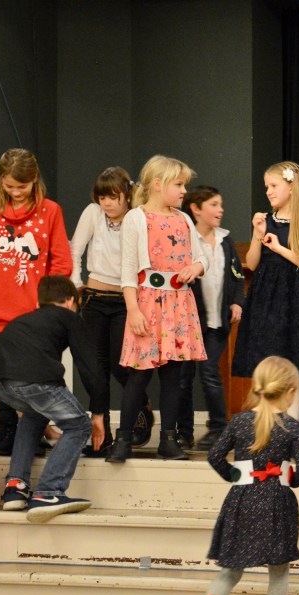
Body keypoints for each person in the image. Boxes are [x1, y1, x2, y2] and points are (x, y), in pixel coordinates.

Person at [181, 356, 299, 595]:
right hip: (277, 502)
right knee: (278, 569)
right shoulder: (291, 427)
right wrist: (290, 480)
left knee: (230, 569)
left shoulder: (239, 422)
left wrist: (235, 477)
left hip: (241, 500)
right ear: (290, 392)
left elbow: (214, 456)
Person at [105, 155, 208, 464]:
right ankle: (123, 439)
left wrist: (196, 267)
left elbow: (202, 256)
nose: (183, 191)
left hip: (179, 303)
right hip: (148, 303)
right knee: (139, 375)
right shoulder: (137, 218)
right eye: (179, 184)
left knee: (173, 375)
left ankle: (168, 439)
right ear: (159, 184)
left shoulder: (184, 219)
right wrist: (133, 310)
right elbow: (128, 271)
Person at [0, 275, 105, 523]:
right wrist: (98, 413)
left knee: (34, 413)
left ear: (39, 302)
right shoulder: (69, 316)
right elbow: (90, 367)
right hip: (33, 377)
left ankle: (15, 487)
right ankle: (49, 492)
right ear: (70, 301)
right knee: (79, 425)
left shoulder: (24, 320)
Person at [0, 148, 72, 454]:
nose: (16, 192)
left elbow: (61, 263)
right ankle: (6, 433)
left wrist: (48, 306)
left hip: (34, 311)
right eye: (9, 186)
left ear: (35, 180)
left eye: (22, 186)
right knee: (2, 373)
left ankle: (33, 433)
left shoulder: (50, 211)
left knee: (33, 375)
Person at [232, 162, 299, 425]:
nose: (268, 191)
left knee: (295, 363)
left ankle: (290, 426)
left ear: (291, 187)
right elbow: (252, 263)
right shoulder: (265, 220)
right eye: (267, 186)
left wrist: (279, 248)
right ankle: (267, 424)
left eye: (274, 185)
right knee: (266, 360)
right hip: (266, 298)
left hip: (297, 298)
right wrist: (258, 235)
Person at [71, 167, 154, 455]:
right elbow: (75, 249)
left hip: (124, 300)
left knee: (122, 364)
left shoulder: (137, 217)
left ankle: (140, 407)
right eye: (102, 197)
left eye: (113, 197)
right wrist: (77, 283)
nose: (106, 203)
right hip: (94, 298)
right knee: (96, 370)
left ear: (126, 195)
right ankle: (101, 435)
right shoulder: (93, 213)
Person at [177, 185, 245, 451]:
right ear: (196, 209)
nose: (220, 210)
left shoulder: (225, 239)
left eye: (221, 204)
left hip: (217, 322)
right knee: (183, 378)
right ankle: (184, 432)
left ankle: (218, 428)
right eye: (214, 205)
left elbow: (236, 275)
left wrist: (237, 301)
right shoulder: (185, 238)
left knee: (209, 371)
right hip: (190, 322)